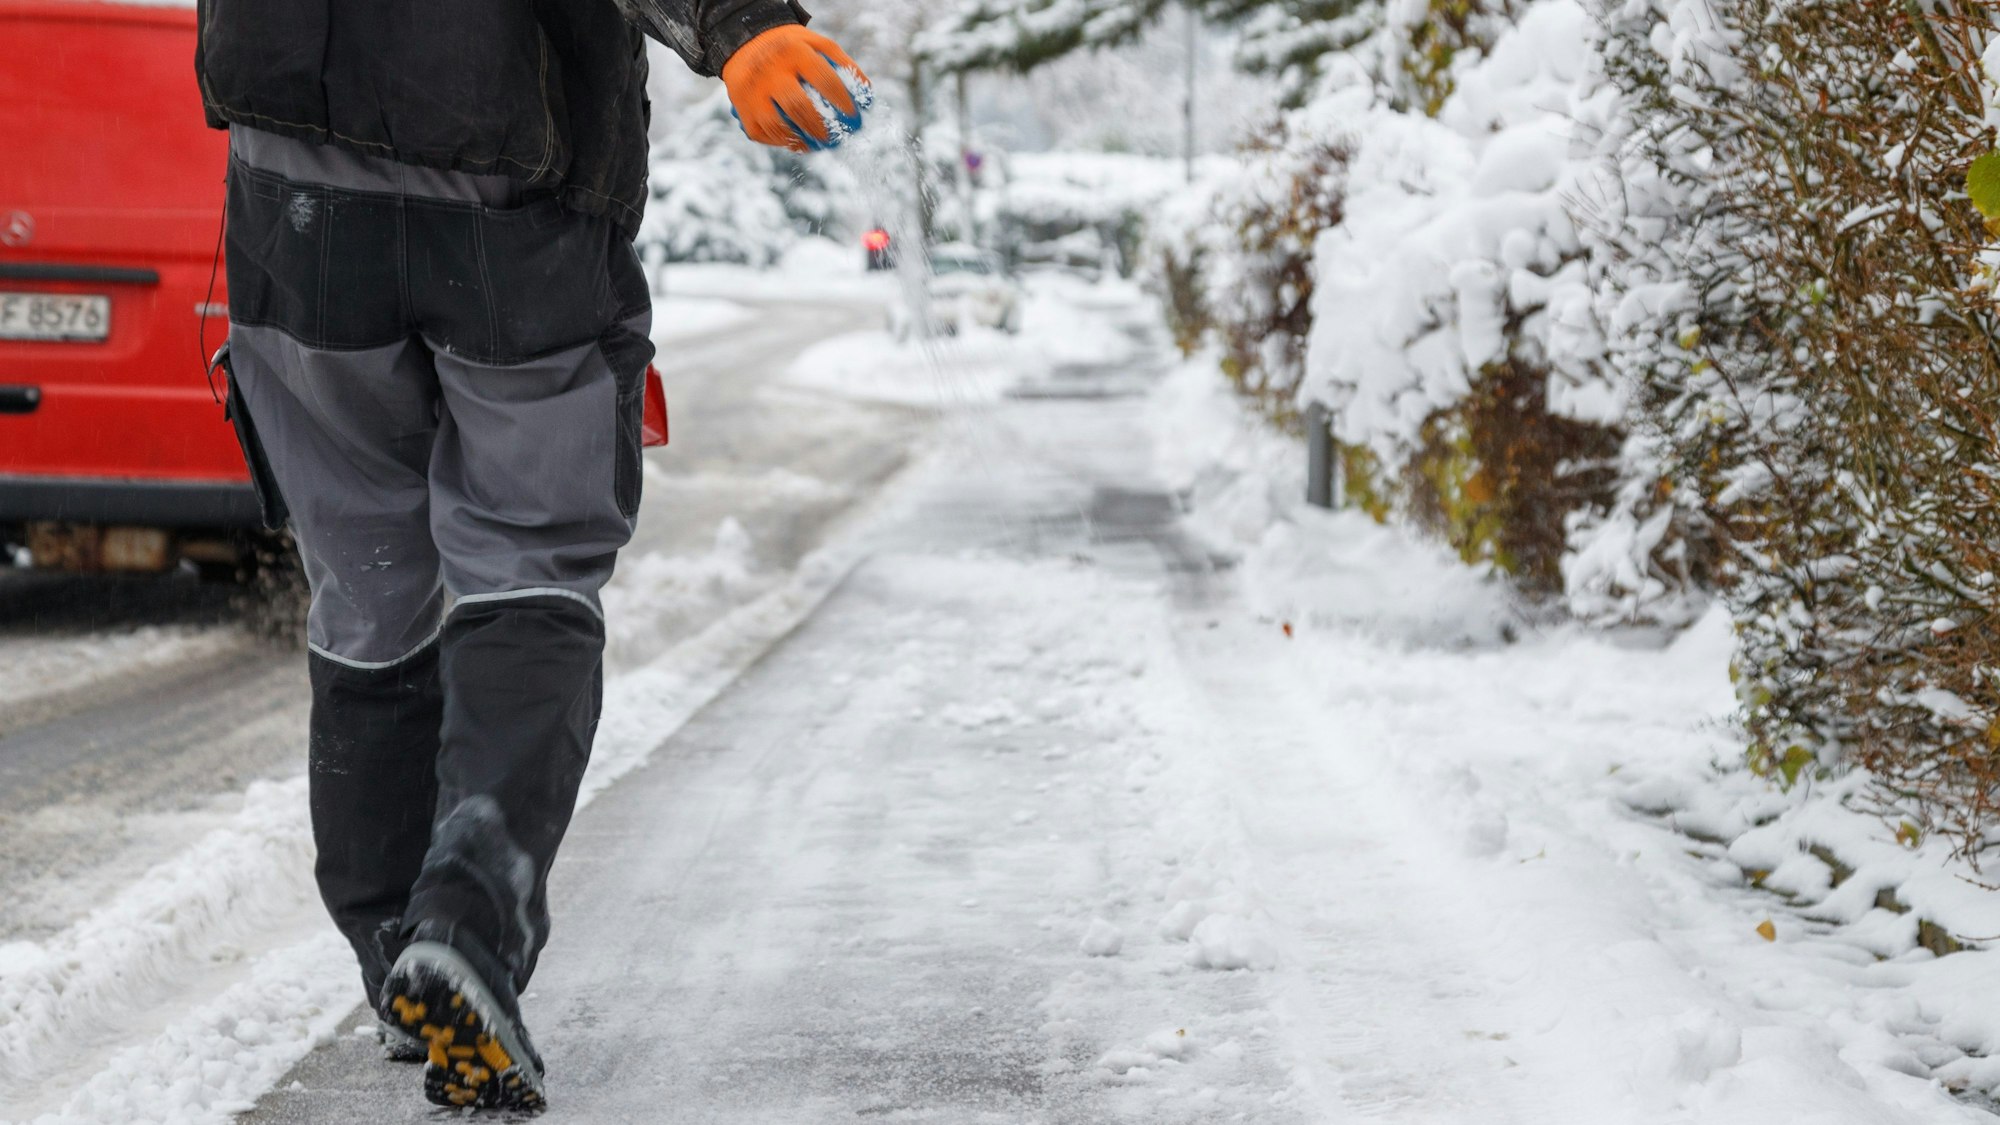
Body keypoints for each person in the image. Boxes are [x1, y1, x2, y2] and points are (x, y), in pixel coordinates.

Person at [194, 0, 868, 1110]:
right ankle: (460, 927)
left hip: (290, 189)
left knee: (364, 582)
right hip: (502, 170)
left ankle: (391, 953)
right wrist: (740, 24)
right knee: (529, 556)